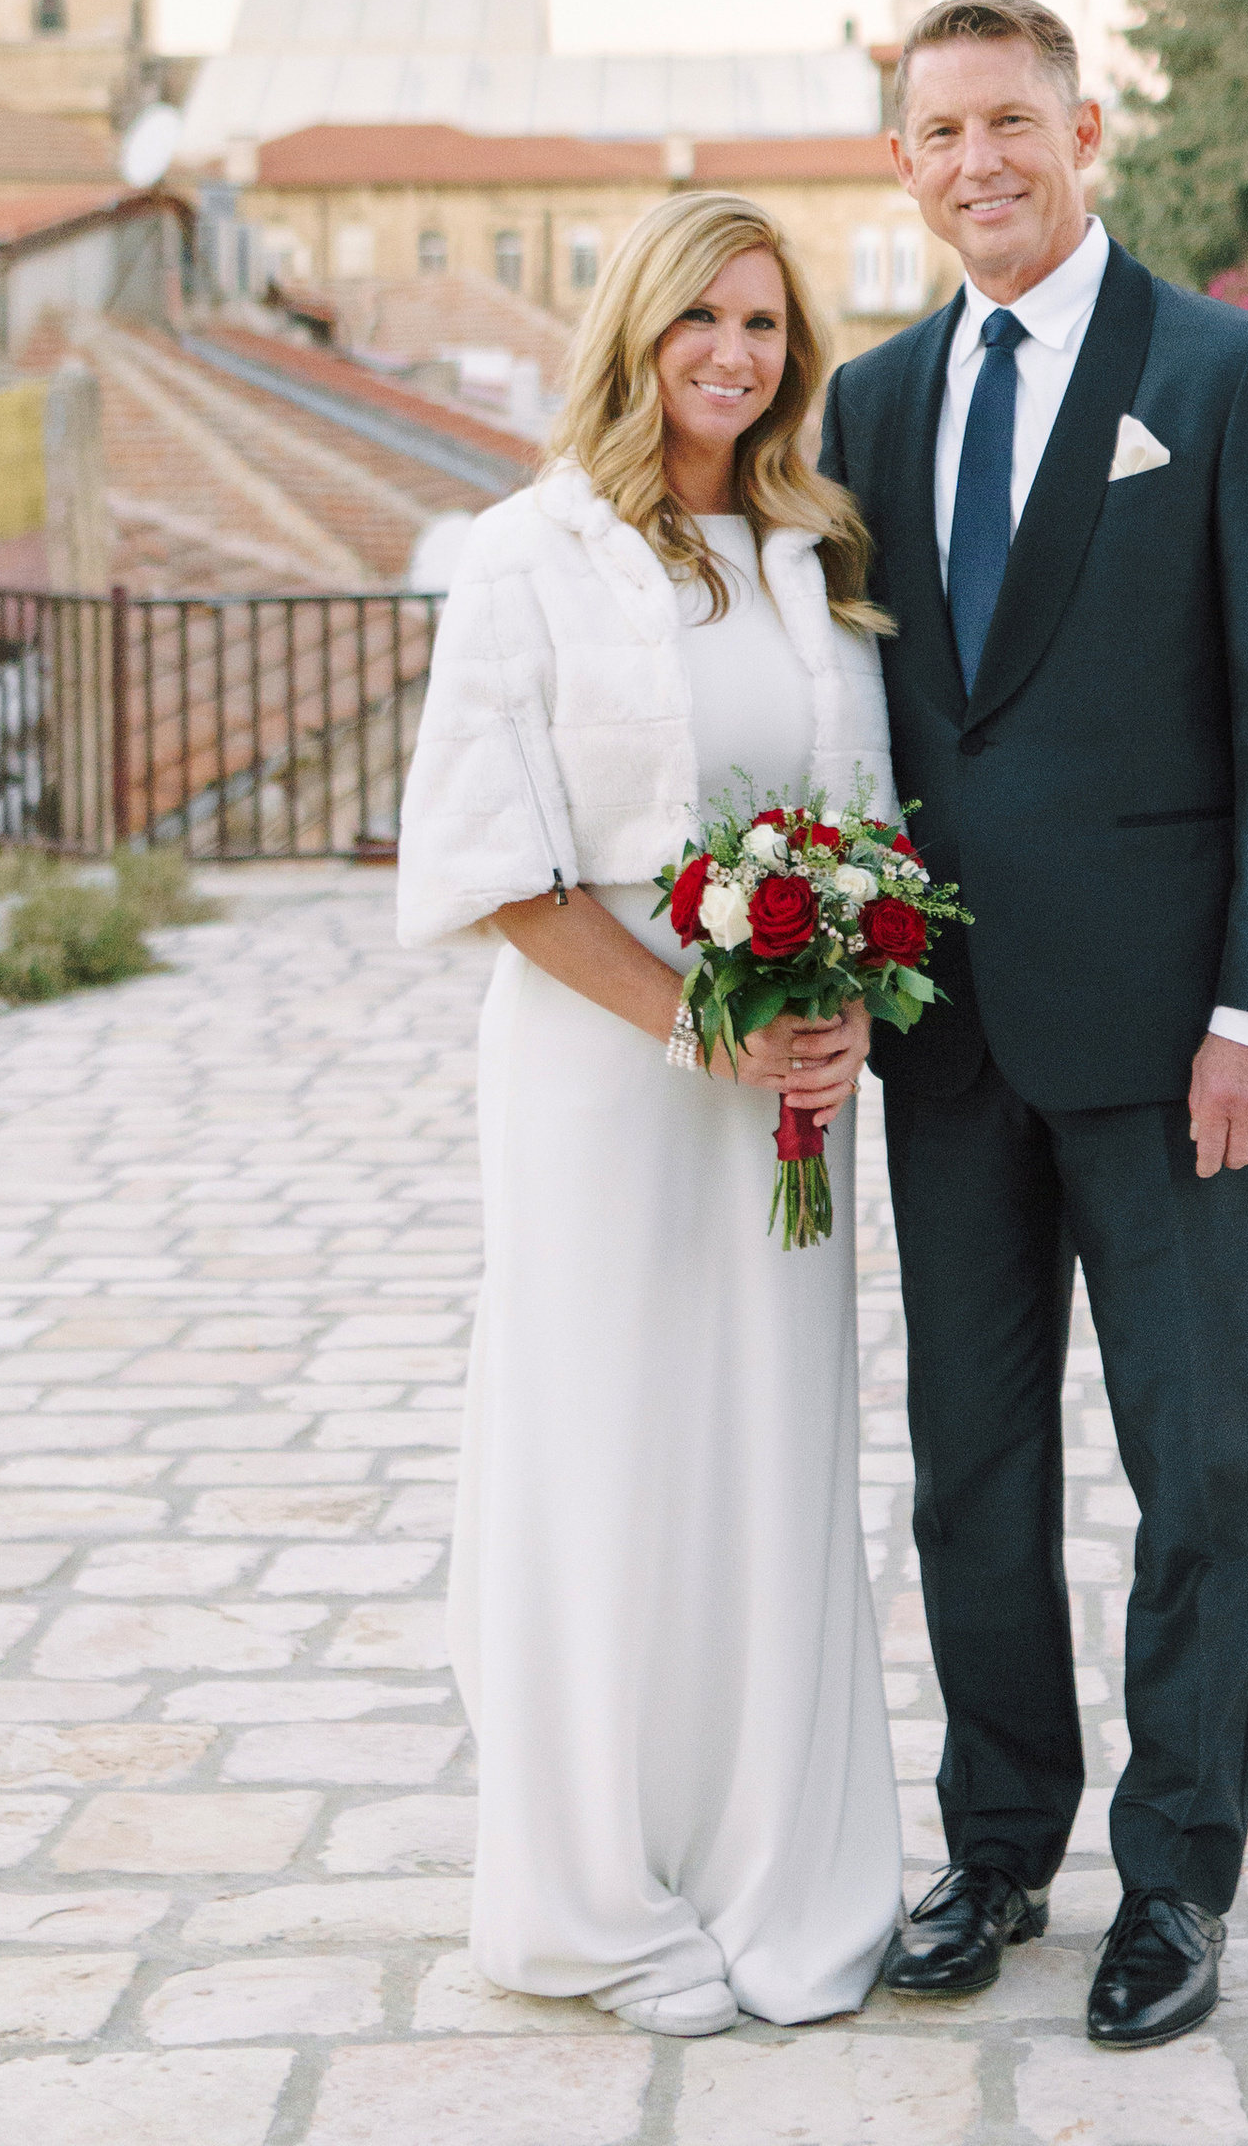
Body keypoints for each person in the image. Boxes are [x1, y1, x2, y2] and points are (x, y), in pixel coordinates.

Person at [819, 0, 1248, 2052]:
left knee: (1193, 1466)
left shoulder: (1227, 377)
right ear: (900, 159)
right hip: (943, 1043)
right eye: (939, 129)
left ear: (1085, 126)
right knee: (968, 1468)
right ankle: (993, 1846)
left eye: (1011, 122)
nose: (979, 160)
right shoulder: (868, 406)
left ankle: (1176, 1883)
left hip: (1170, 1047)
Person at [396, 192, 903, 2037]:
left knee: (771, 1463)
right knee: (606, 1453)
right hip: (608, 1084)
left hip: (789, 1099)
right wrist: (697, 1024)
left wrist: (844, 1002)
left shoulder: (806, 550)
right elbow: (495, 866)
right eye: (702, 318)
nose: (734, 356)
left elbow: (868, 830)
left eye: (765, 326)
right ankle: (593, 1899)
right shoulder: (528, 557)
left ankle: (782, 1877)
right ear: (636, 328)